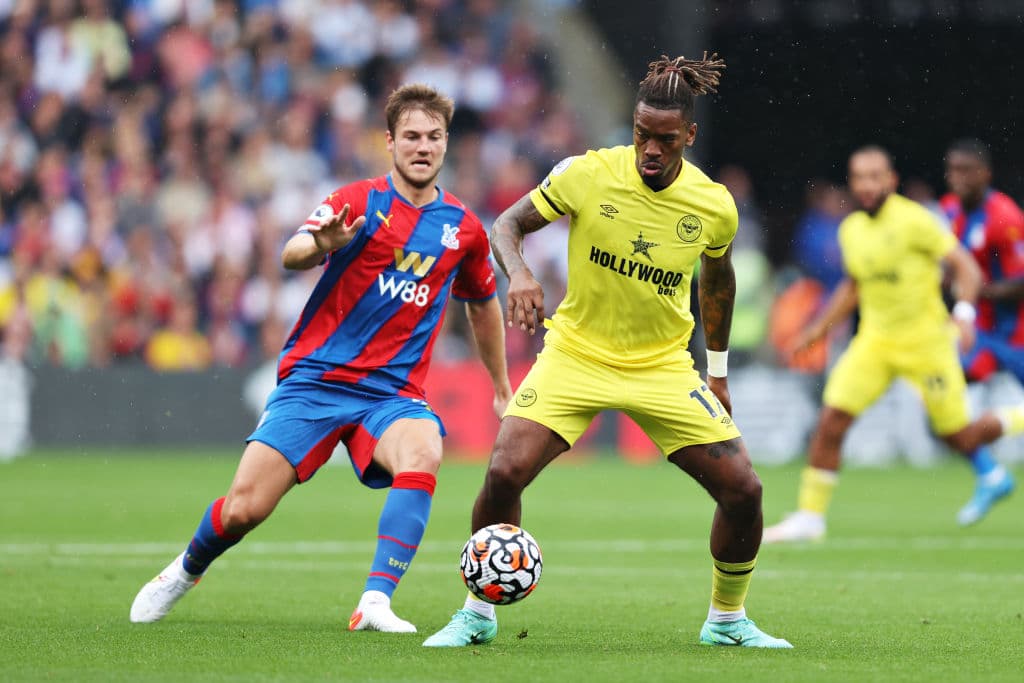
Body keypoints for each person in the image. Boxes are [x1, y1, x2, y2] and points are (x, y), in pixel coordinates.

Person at [423, 54, 791, 649]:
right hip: (577, 356)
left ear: (689, 137)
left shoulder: (713, 205)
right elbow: (506, 227)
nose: (650, 148)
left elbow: (716, 282)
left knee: (744, 490)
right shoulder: (586, 174)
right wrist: (518, 275)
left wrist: (716, 370)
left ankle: (727, 620)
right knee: (503, 471)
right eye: (642, 133)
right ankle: (476, 613)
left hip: (663, 367)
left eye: (665, 140)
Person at [129, 84, 512, 632]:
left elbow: (481, 305)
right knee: (244, 509)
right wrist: (322, 244)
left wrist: (500, 384)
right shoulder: (359, 200)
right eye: (411, 137)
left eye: (433, 137)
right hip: (316, 382)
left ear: (446, 143)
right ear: (390, 142)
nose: (422, 147)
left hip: (392, 393)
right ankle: (185, 569)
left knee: (424, 450)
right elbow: (292, 253)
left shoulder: (464, 229)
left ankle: (375, 601)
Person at [763, 146, 1024, 544]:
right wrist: (817, 330)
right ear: (852, 183)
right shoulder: (851, 229)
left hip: (927, 343)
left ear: (891, 180)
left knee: (962, 438)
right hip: (876, 343)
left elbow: (966, 268)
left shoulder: (916, 221)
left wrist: (966, 313)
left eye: (874, 176)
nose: (867, 185)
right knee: (832, 419)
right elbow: (853, 285)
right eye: (859, 177)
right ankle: (809, 517)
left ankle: (1008, 435)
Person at [940, 139, 1024, 524]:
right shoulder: (947, 212)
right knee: (943, 401)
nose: (957, 178)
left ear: (985, 174)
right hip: (980, 331)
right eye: (952, 170)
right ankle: (990, 474)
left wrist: (975, 290)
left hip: (1016, 331)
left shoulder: (1004, 216)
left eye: (965, 170)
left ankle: (1005, 424)